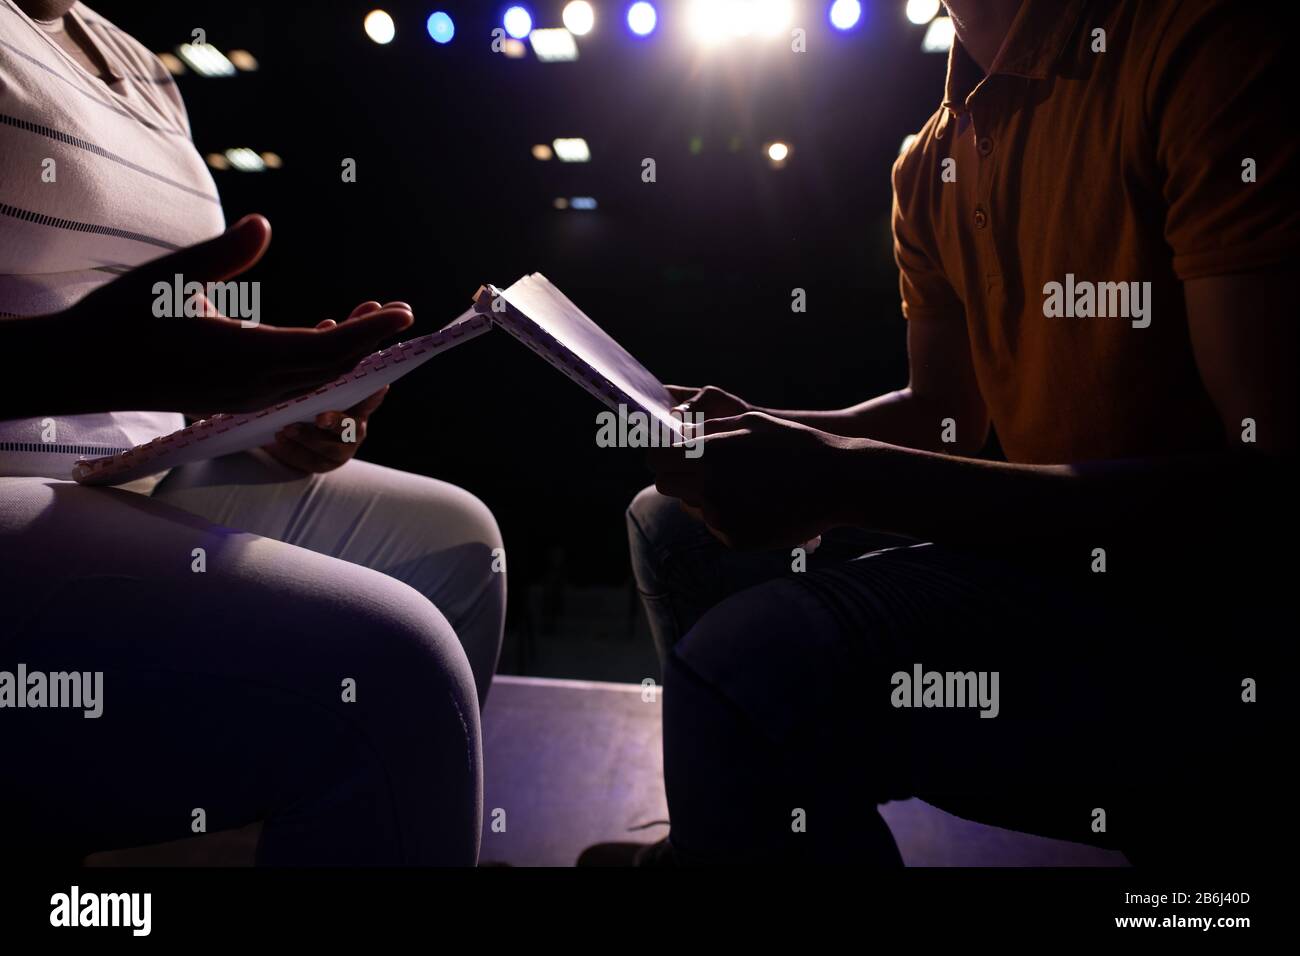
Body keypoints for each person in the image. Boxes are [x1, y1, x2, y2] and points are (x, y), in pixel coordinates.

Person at [602, 0, 1293, 865]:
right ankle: (735, 844)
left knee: (748, 671)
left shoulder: (1194, 46)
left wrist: (842, 476)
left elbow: (1274, 495)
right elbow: (948, 418)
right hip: (1069, 559)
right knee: (669, 530)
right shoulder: (927, 162)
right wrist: (763, 434)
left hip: (1211, 612)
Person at [0, 0, 504, 865]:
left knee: (456, 541)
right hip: (16, 483)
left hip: (122, 474)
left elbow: (152, 329)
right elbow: (107, 350)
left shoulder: (135, 60)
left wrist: (261, 414)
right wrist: (79, 365)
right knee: (395, 665)